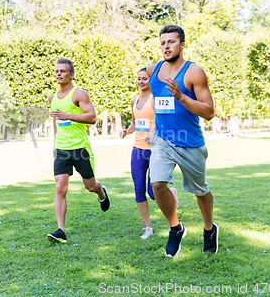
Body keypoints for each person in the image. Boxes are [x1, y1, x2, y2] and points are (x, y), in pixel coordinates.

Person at [146, 25, 218, 257]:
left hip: (190, 142)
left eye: (172, 42)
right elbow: (151, 98)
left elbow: (209, 112)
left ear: (182, 45)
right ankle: (175, 228)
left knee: (200, 191)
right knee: (157, 184)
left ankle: (209, 229)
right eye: (163, 43)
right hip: (162, 141)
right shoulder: (153, 71)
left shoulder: (194, 73)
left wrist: (181, 97)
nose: (166, 46)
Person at [46, 58, 110, 244]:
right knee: (60, 187)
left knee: (89, 186)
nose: (59, 74)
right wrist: (54, 146)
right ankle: (61, 230)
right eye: (57, 71)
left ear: (71, 75)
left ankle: (101, 192)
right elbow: (56, 122)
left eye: (63, 71)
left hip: (80, 148)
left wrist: (69, 115)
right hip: (62, 149)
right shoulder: (52, 98)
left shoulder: (79, 94)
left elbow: (92, 118)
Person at [121, 68, 179, 240]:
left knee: (153, 192)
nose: (141, 82)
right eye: (138, 79)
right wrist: (127, 131)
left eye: (144, 79)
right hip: (137, 151)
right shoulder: (134, 101)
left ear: (150, 80)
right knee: (139, 190)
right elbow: (135, 124)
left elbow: (168, 122)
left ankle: (171, 193)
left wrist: (155, 136)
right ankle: (148, 228)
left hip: (155, 149)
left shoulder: (157, 99)